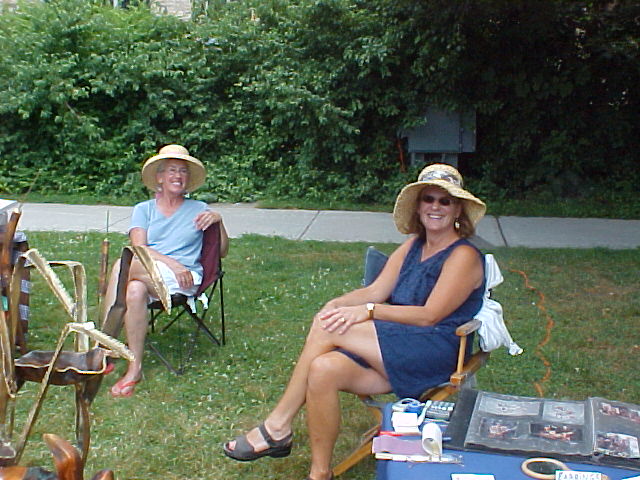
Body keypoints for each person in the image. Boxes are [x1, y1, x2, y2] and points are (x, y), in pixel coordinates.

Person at [223, 163, 487, 480]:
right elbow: (376, 290)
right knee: (323, 369)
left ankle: (278, 426)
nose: (436, 207)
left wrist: (370, 311)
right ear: (418, 206)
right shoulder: (413, 246)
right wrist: (336, 304)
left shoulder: (463, 255)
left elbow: (429, 314)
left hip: (432, 350)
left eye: (445, 201)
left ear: (458, 209)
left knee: (328, 327)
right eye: (428, 199)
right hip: (394, 344)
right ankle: (320, 473)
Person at [103, 144, 229, 398]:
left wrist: (219, 222)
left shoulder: (199, 209)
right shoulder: (144, 209)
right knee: (134, 289)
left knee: (121, 266)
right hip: (152, 272)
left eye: (183, 171)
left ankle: (103, 346)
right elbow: (139, 248)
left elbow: (222, 251)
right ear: (159, 177)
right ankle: (134, 368)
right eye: (172, 170)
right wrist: (172, 263)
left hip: (185, 279)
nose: (178, 176)